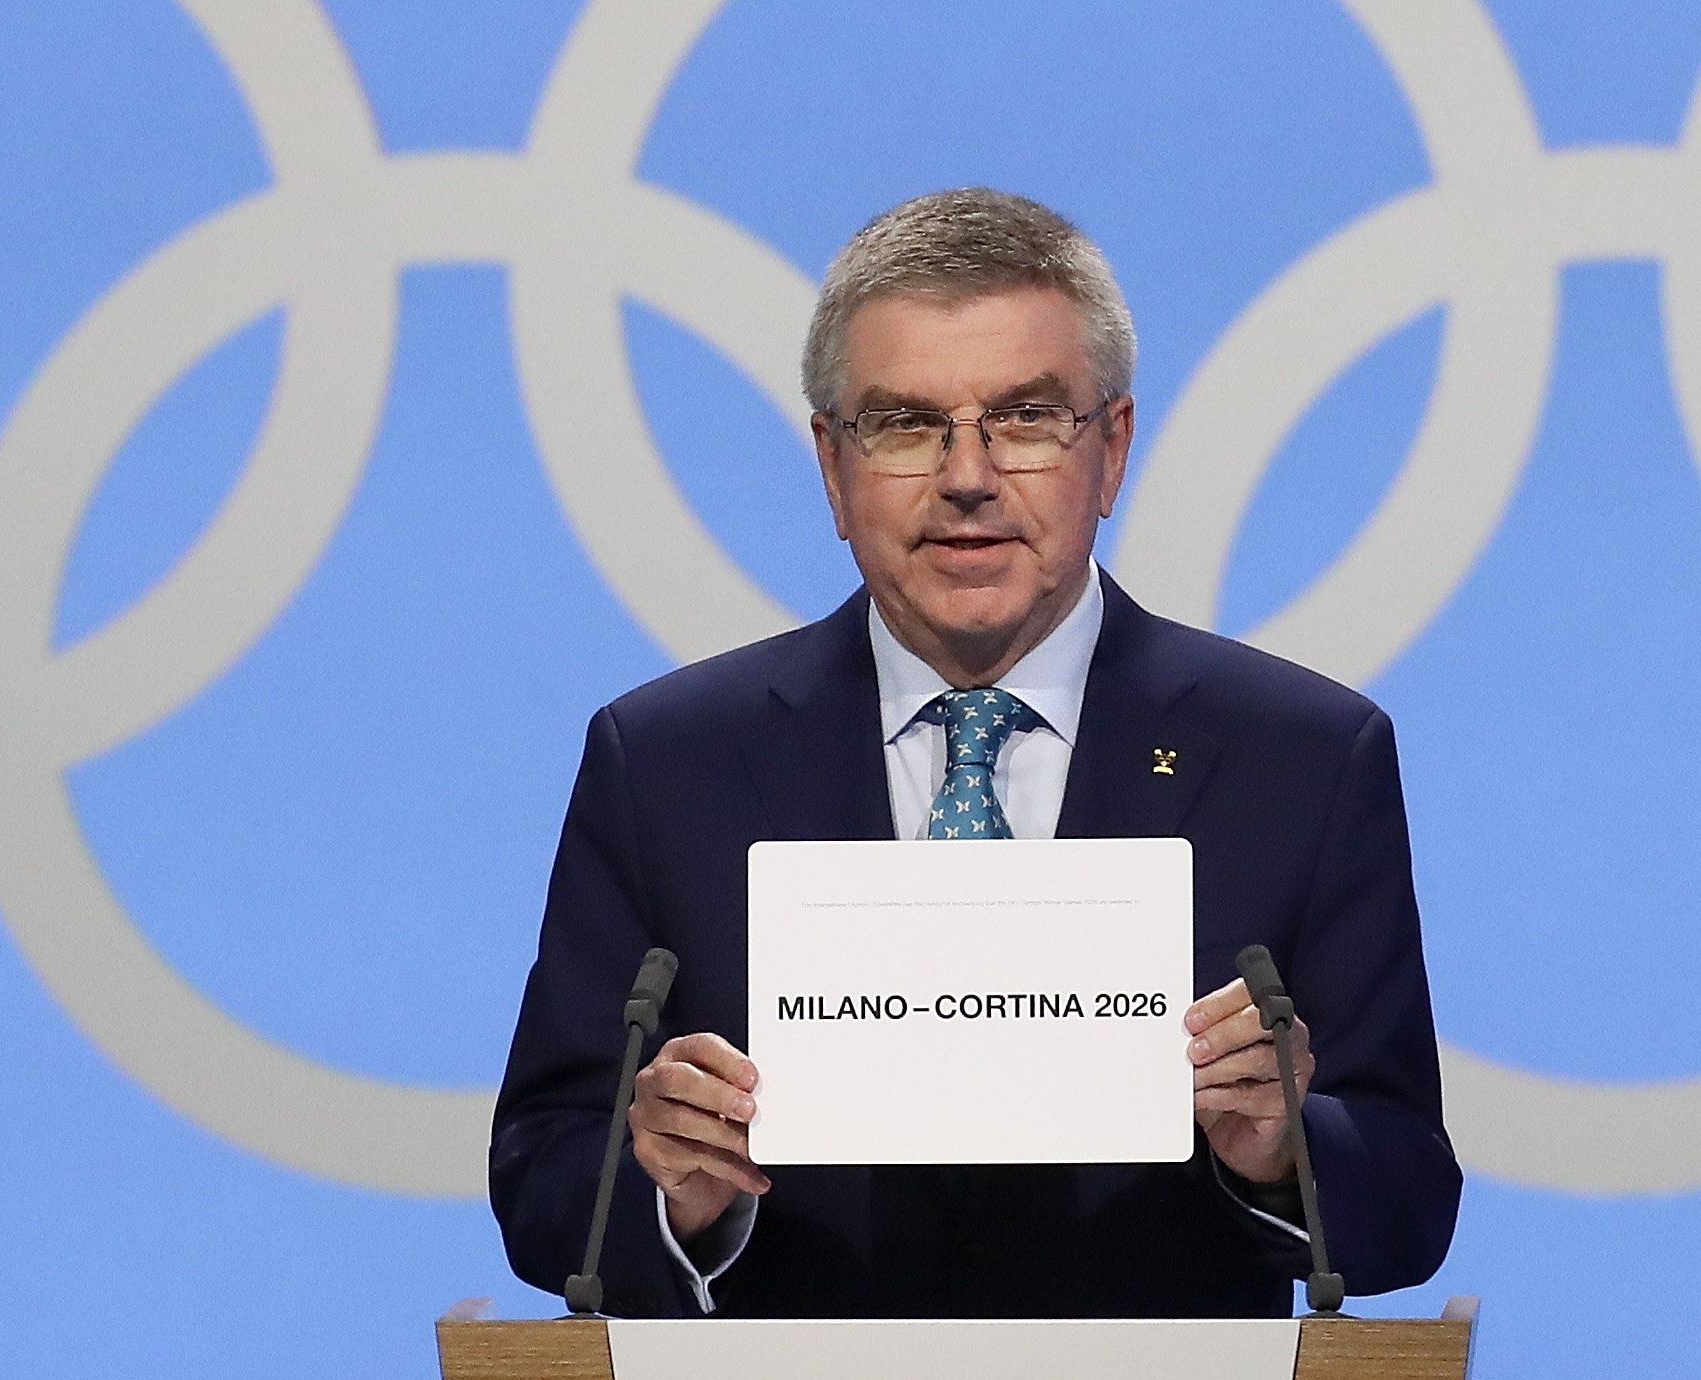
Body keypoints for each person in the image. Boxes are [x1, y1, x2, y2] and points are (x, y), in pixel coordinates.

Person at [491, 188, 1459, 1317]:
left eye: (1026, 417)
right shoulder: (665, 762)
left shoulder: (1300, 759)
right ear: (831, 467)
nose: (966, 476)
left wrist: (1279, 1152)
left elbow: (1405, 1198)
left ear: (1111, 450)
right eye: (905, 424)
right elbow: (543, 1178)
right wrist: (671, 1188)